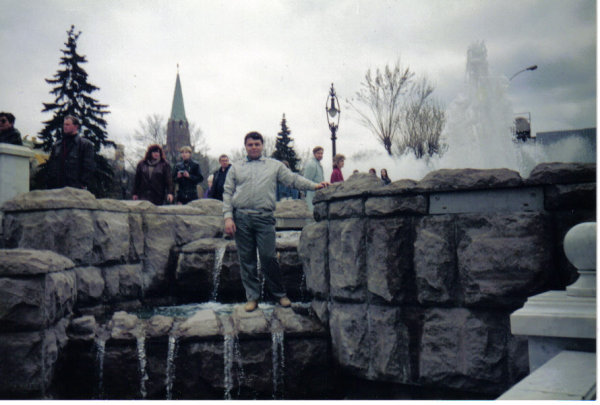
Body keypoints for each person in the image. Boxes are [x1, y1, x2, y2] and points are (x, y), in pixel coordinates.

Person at [223, 131, 330, 312]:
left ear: (262, 146)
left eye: (257, 144)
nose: (254, 147)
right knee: (247, 260)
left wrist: (314, 186)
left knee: (268, 257)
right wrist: (228, 217)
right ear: (245, 146)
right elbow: (227, 193)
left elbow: (293, 179)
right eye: (250, 144)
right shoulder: (236, 167)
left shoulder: (274, 166)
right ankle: (252, 298)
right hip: (241, 218)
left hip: (264, 218)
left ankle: (279, 294)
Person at [47, 115, 95, 189]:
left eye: (67, 124)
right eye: (64, 124)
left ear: (76, 127)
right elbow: (51, 166)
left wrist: (82, 184)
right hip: (57, 187)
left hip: (75, 187)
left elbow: (88, 167)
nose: (65, 127)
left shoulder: (85, 145)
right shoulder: (57, 145)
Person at [302, 146, 324, 211]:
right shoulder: (312, 164)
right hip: (311, 194)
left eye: (321, 153)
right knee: (312, 212)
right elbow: (306, 181)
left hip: (317, 194)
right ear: (314, 154)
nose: (320, 155)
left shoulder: (318, 164)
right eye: (318, 153)